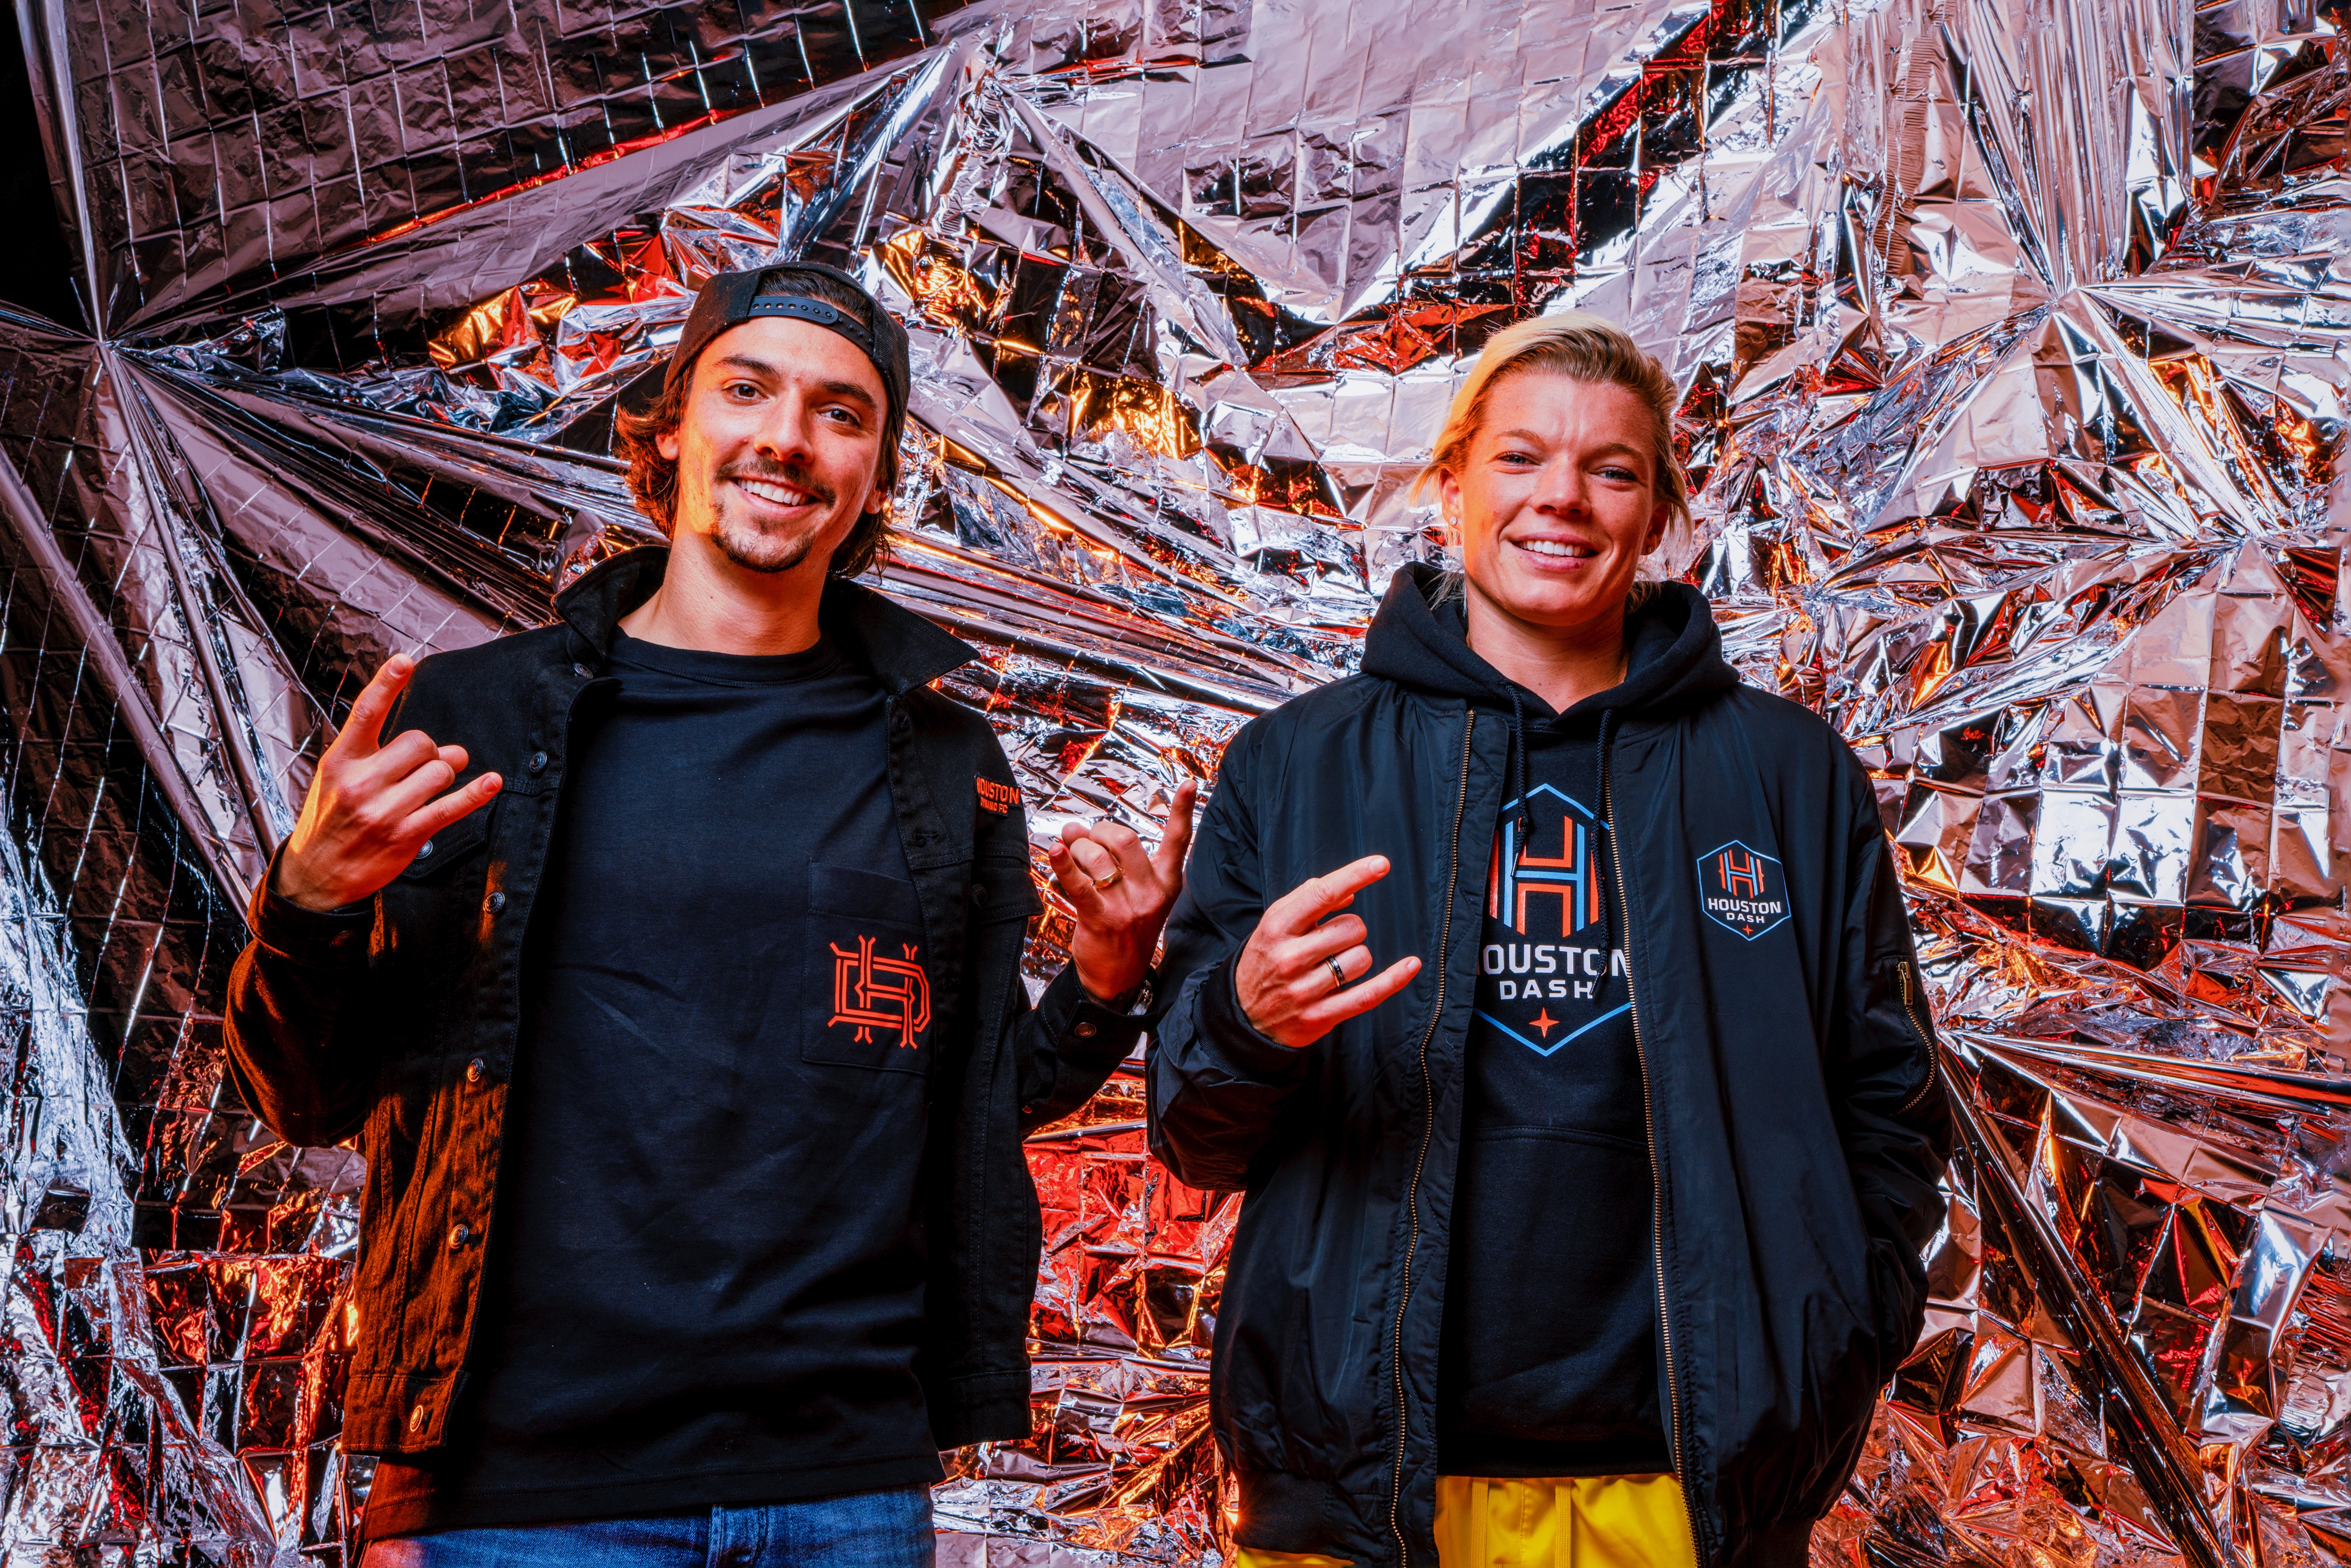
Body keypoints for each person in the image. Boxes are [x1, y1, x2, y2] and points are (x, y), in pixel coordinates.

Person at [224, 263, 1198, 1568]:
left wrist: (1107, 973)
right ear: (676, 423)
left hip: (839, 1491)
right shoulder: (475, 720)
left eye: (841, 412)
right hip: (521, 1496)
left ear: (872, 468)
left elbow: (962, 1094)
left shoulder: (941, 763)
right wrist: (309, 902)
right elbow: (308, 1095)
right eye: (749, 389)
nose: (787, 438)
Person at [1146, 314, 1952, 1568]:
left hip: (1684, 1495)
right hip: (1366, 1487)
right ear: (1452, 484)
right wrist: (1244, 1024)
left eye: (1611, 468)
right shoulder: (1298, 765)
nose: (1560, 499)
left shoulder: (1786, 775)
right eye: (1520, 458)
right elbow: (1190, 1131)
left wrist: (1835, 1327)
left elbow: (1887, 1103)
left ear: (1658, 513)